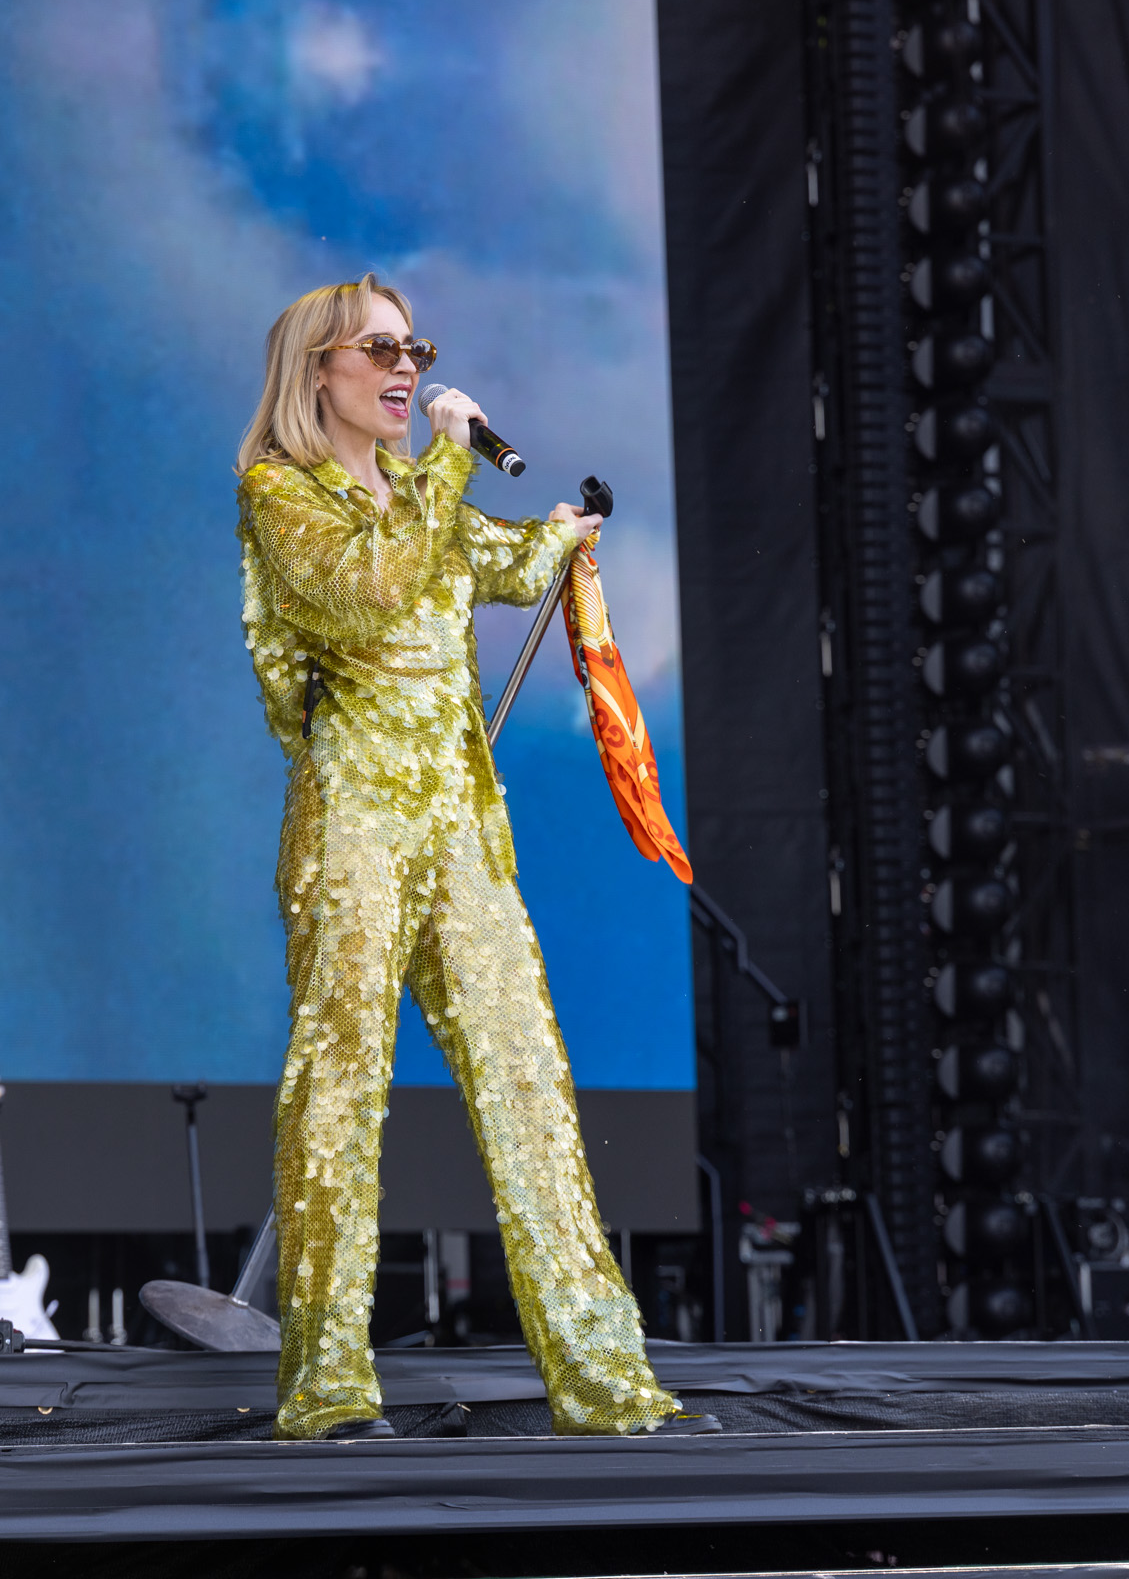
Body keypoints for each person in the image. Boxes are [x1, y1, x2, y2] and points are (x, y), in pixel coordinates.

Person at [234, 275, 682, 1440]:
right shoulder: (280, 494)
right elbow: (372, 589)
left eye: (416, 350)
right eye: (381, 349)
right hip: (354, 825)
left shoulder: (420, 494)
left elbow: (503, 566)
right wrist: (445, 459)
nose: (408, 369)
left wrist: (562, 539)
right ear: (317, 370)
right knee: (341, 1088)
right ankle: (327, 1387)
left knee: (529, 1080)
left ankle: (606, 1380)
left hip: (462, 829)